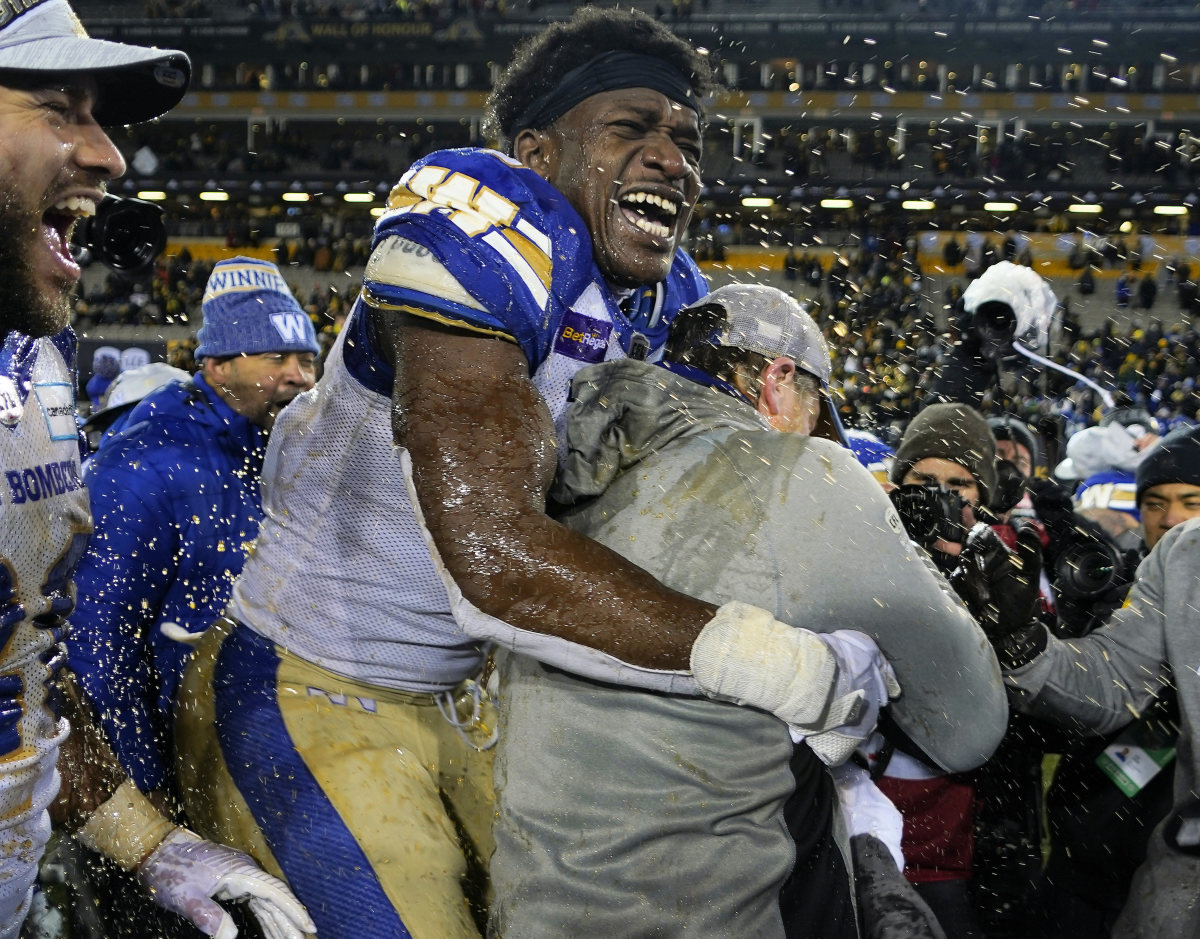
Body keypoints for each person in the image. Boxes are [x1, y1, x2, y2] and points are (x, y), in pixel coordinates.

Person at [174, 8, 897, 938]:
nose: (671, 157)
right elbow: (493, 564)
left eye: (686, 138)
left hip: (475, 700)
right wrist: (784, 665)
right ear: (537, 152)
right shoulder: (484, 219)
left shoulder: (667, 301)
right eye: (631, 129)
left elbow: (693, 520)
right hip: (315, 679)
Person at [490, 284, 1004, 938]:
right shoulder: (796, 472)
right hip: (707, 910)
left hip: (535, 900)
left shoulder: (561, 462)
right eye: (814, 405)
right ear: (777, 380)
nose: (816, 427)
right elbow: (968, 727)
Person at [0, 3, 313, 937]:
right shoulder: (151, 456)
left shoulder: (32, 368)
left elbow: (34, 672)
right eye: (59, 108)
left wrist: (150, 842)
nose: (108, 154)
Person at [70, 256, 319, 799]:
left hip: (251, 753)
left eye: (306, 359)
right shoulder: (146, 465)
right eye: (276, 356)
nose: (300, 376)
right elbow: (100, 644)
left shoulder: (275, 450)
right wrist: (143, 798)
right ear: (218, 366)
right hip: (175, 767)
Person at [1035, 426, 1200, 938]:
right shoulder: (1114, 589)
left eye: (1190, 501)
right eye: (1154, 503)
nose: (1170, 519)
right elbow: (1092, 694)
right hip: (1096, 866)